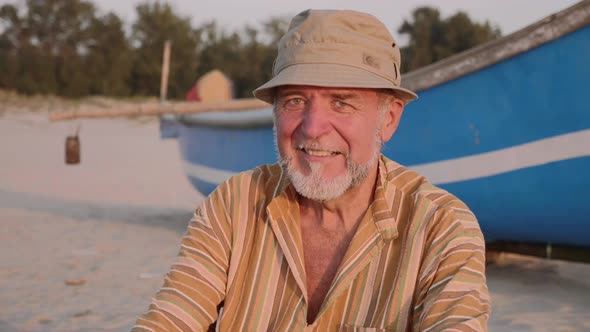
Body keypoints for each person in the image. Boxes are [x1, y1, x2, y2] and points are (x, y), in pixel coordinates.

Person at [133, 9, 490, 331]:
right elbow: (170, 318)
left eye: (341, 102)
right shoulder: (234, 205)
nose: (313, 127)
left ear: (389, 119)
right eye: (295, 101)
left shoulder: (442, 227)